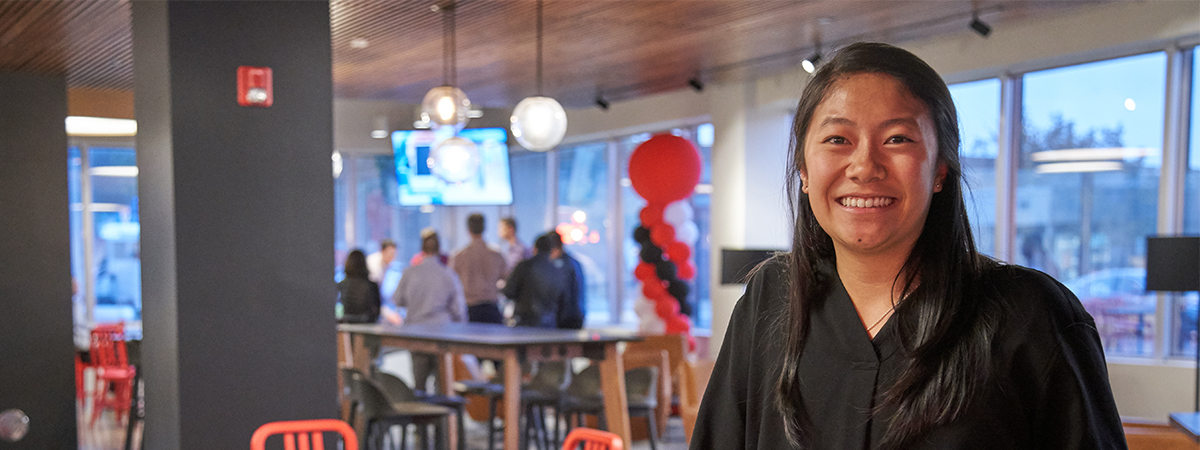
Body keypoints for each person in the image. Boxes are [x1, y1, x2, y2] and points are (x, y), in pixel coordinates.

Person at [691, 43, 1125, 449]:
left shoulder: (1030, 315)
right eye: (837, 139)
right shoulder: (771, 298)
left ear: (940, 169)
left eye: (897, 138)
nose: (864, 166)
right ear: (804, 169)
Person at [393, 230, 467, 392]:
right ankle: (442, 417)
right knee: (443, 385)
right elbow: (458, 310)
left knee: (419, 385)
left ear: (422, 249)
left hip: (416, 333)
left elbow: (398, 300)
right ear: (439, 249)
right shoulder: (448, 275)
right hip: (443, 334)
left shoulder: (409, 273)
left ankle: (421, 416)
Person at [503, 233, 572, 328]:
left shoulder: (524, 267)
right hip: (550, 325)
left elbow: (508, 291)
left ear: (534, 249)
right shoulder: (558, 271)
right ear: (551, 250)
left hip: (524, 322)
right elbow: (564, 300)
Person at [450, 213, 508, 324]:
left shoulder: (459, 256)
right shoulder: (496, 254)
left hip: (469, 309)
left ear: (468, 230)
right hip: (492, 309)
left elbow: (451, 283)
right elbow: (506, 278)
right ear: (484, 228)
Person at [544, 231, 586, 329]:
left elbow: (561, 293)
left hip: (566, 319)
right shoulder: (574, 263)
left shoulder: (562, 266)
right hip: (575, 316)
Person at [337, 250, 381, 324]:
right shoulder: (372, 286)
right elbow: (377, 310)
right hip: (366, 327)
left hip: (346, 326)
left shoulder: (342, 285)